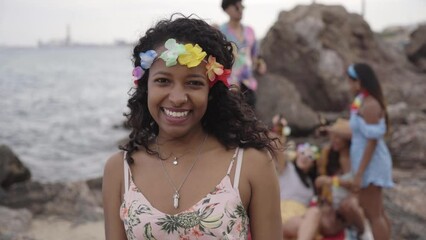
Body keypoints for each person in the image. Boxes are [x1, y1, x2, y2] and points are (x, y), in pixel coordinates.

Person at [102, 15, 282, 240]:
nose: (177, 98)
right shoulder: (119, 170)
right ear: (145, 86)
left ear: (211, 91)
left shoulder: (251, 164)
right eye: (163, 81)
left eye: (194, 83)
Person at [346, 63, 394, 239]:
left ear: (359, 81)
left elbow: (371, 142)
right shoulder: (361, 101)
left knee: (374, 214)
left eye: (350, 82)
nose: (348, 86)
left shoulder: (371, 105)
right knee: (376, 211)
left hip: (371, 163)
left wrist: (359, 173)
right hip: (364, 161)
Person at [315, 118, 373, 239]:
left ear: (347, 140)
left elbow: (357, 184)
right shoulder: (328, 155)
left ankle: (364, 233)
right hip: (334, 204)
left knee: (349, 205)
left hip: (355, 202)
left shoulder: (356, 158)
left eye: (338, 137)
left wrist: (333, 181)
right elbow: (319, 180)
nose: (333, 141)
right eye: (332, 137)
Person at [219, 0, 267, 108]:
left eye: (241, 6)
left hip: (249, 85)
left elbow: (256, 54)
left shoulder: (250, 31)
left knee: (250, 119)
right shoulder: (221, 32)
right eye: (236, 6)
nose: (240, 9)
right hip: (230, 86)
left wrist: (260, 64)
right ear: (226, 9)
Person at [278, 142, 321, 240]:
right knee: (306, 225)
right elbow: (276, 148)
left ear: (313, 163)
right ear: (297, 154)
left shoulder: (311, 183)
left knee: (314, 212)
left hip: (301, 219)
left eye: (310, 156)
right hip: (283, 217)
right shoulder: (287, 168)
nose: (305, 157)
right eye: (302, 153)